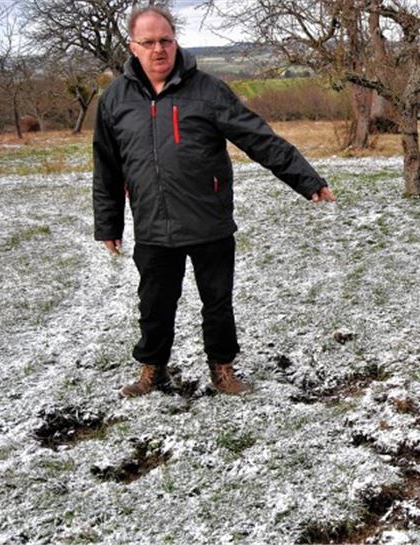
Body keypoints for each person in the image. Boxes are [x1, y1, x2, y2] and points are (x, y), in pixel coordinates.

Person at [93, 6, 336, 398]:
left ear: (175, 41)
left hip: (209, 220)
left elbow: (258, 137)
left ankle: (223, 370)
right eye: (149, 42)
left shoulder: (207, 90)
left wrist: (306, 179)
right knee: (154, 306)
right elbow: (107, 167)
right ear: (132, 47)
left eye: (166, 40)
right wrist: (109, 224)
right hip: (153, 224)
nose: (159, 49)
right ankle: (153, 371)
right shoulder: (115, 100)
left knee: (217, 304)